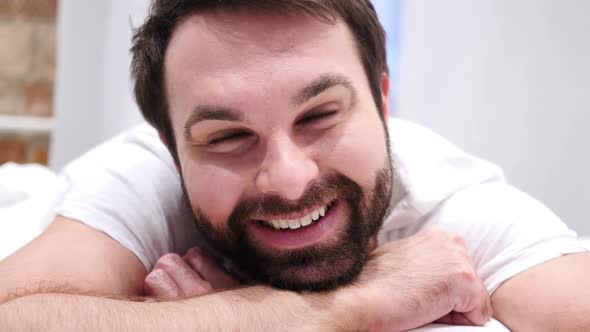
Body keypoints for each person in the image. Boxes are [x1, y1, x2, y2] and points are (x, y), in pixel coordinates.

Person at [1, 1, 589, 331]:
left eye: (319, 116)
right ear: (170, 148)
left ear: (383, 103)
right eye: (229, 137)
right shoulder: (144, 180)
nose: (288, 179)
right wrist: (351, 307)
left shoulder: (446, 198)